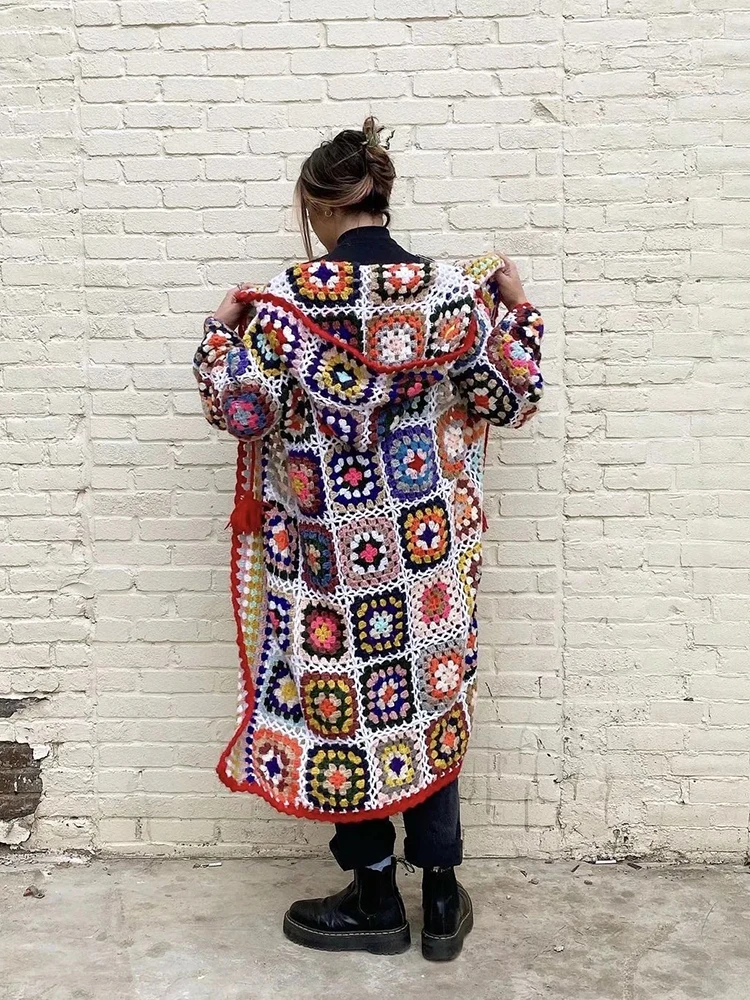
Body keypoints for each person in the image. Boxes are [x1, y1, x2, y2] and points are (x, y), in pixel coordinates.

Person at [193, 117, 544, 961]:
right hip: (429, 565)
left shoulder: (285, 306)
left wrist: (218, 331)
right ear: (381, 197)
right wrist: (519, 310)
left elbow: (242, 410)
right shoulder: (451, 296)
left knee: (344, 718)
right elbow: (510, 399)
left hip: (333, 576)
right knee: (430, 704)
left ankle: (376, 900)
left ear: (319, 206)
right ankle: (443, 901)